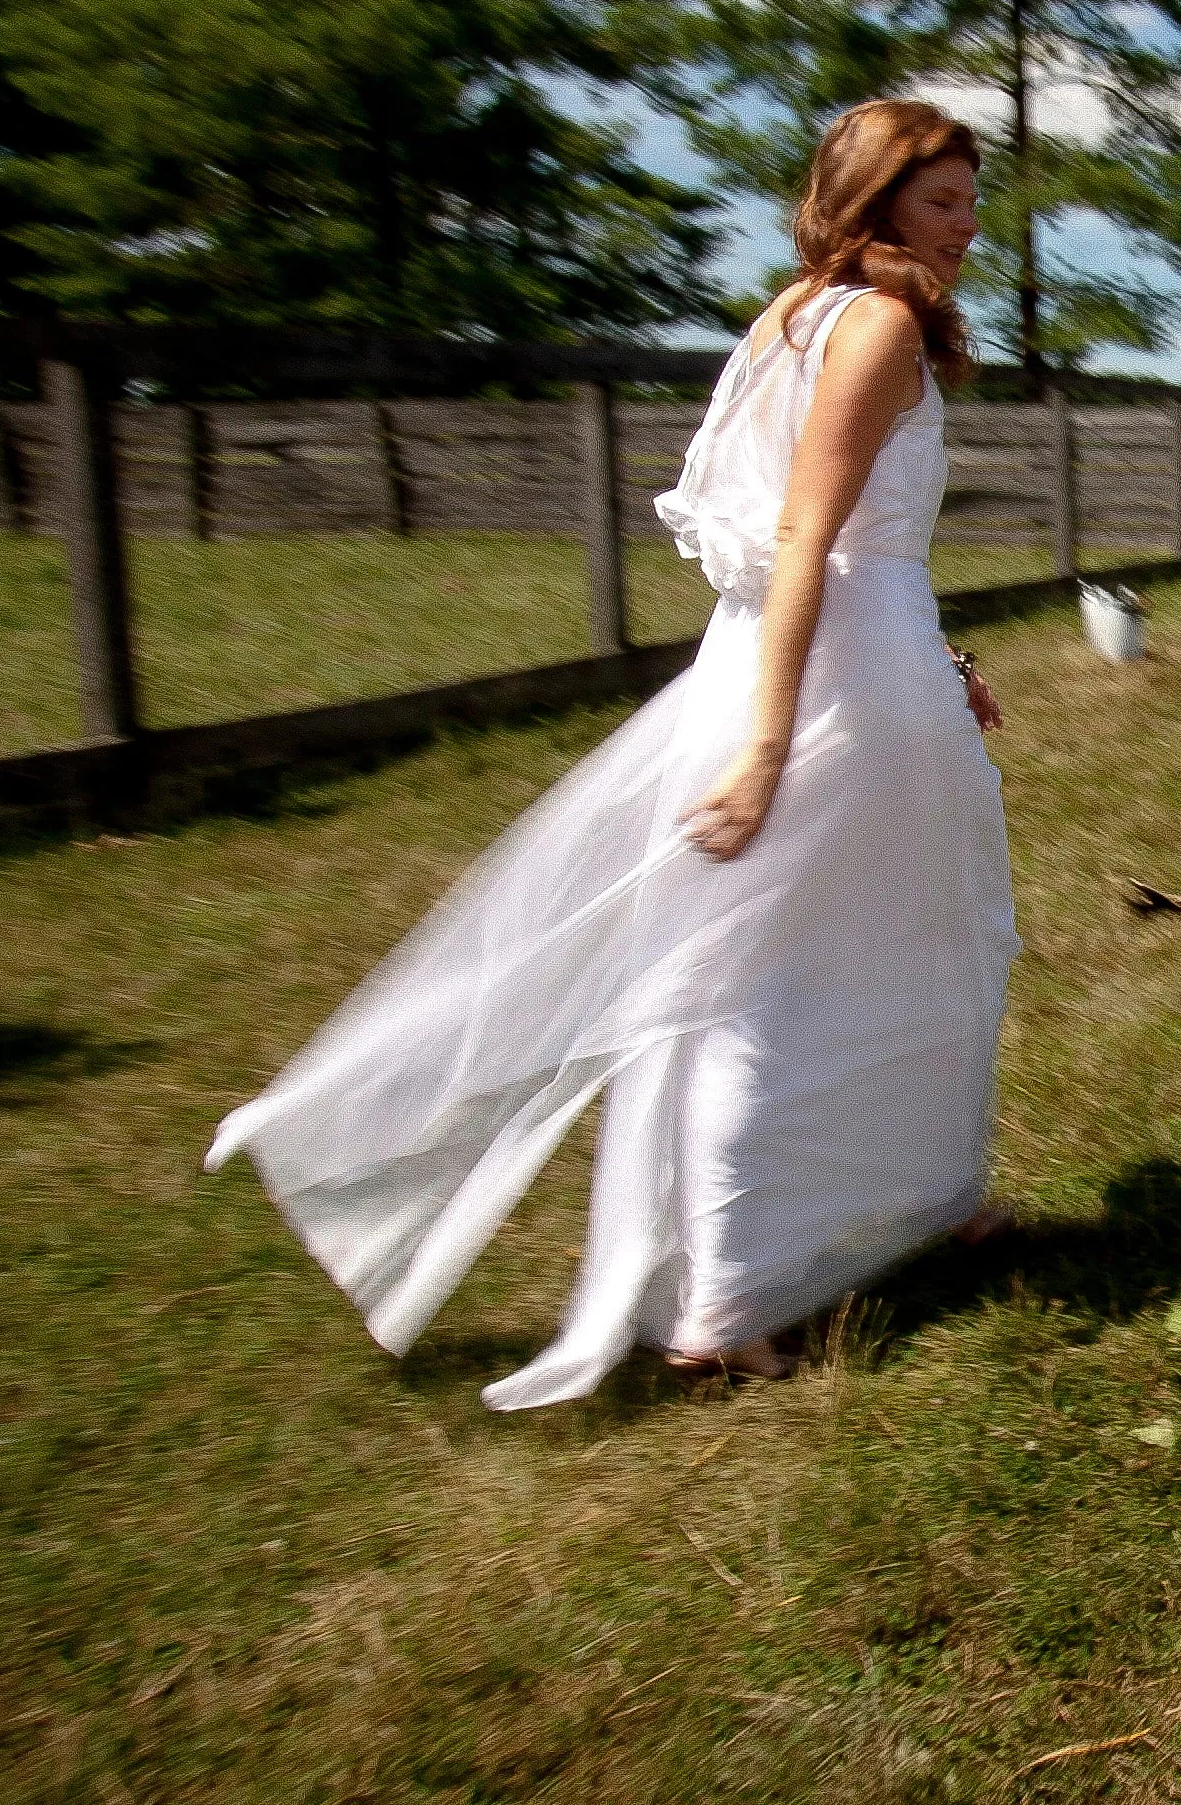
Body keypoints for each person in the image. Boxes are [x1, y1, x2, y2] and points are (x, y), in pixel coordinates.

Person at [207, 100, 1022, 1408]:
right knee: (775, 981)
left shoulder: (794, 314)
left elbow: (837, 552)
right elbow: (811, 542)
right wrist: (767, 745)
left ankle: (928, 1199)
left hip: (847, 658)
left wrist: (939, 667)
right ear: (871, 203)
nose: (970, 223)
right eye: (944, 201)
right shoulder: (870, 324)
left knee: (909, 943)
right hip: (824, 686)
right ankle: (729, 1309)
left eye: (973, 199)